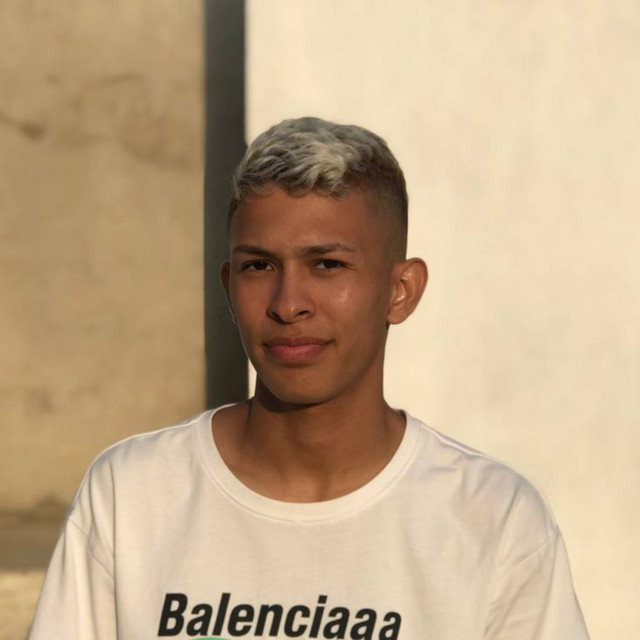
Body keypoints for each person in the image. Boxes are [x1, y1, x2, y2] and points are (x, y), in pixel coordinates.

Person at [29, 117, 590, 639]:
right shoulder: (131, 495)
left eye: (327, 265)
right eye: (259, 266)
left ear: (401, 291)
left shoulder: (491, 518)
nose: (288, 303)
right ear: (228, 288)